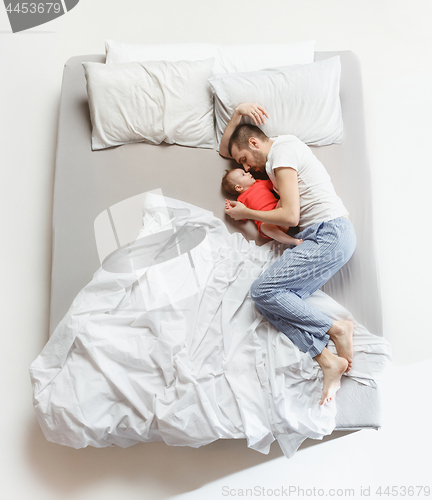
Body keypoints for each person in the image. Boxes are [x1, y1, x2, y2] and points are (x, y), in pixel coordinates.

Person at [220, 103, 357, 406]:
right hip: (323, 237)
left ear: (255, 142)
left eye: (245, 159)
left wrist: (246, 211)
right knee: (273, 304)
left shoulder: (282, 150)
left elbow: (291, 216)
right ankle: (327, 361)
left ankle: (336, 329)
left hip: (329, 232)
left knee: (262, 290)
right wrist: (237, 113)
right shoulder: (269, 162)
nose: (246, 167)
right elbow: (224, 149)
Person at [222, 168, 303, 246]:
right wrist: (231, 208)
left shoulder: (260, 183)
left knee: (284, 199)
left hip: (279, 213)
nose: (248, 173)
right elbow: (242, 216)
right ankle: (292, 241)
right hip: (267, 223)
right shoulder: (241, 199)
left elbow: (275, 185)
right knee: (264, 227)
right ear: (239, 187)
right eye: (243, 174)